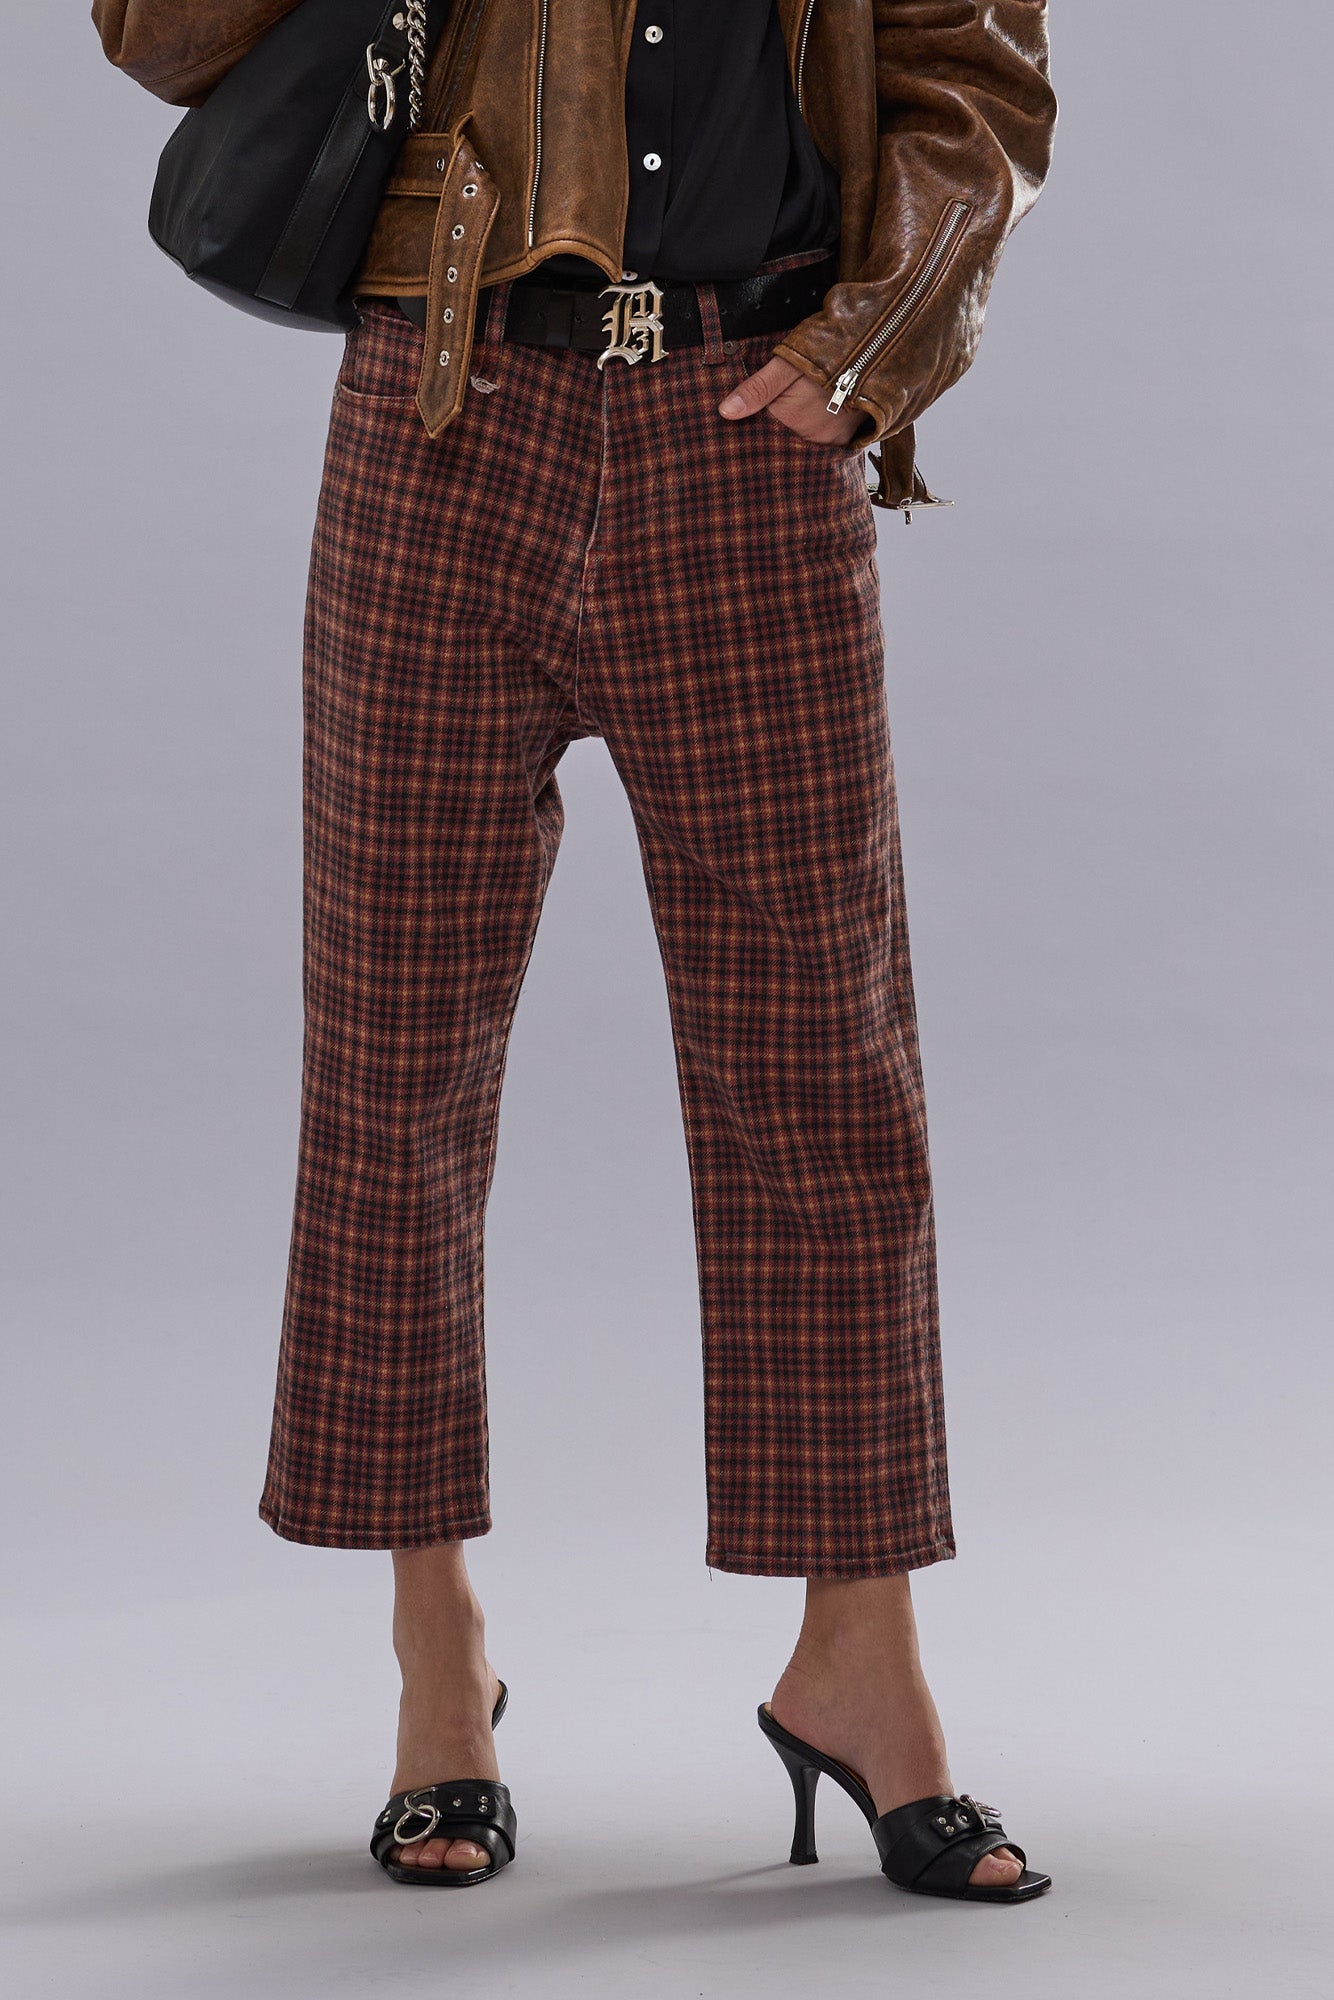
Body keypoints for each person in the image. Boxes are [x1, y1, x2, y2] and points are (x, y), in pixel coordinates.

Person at [92, 0, 1058, 1903]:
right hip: (441, 410)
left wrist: (866, 350)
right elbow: (161, 38)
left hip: (748, 422)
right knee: (395, 1060)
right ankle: (436, 1658)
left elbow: (975, 79)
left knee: (824, 1074)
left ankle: (860, 1665)